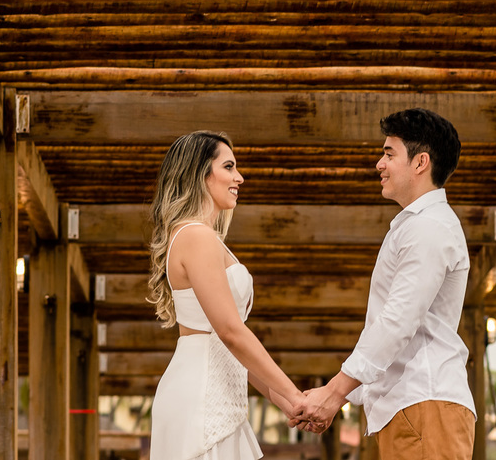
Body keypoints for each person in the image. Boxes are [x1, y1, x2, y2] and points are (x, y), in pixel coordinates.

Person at [293, 108, 476, 457]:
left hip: (424, 404)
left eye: (389, 154)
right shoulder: (417, 226)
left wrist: (333, 392)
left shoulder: (429, 227)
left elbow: (398, 321)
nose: (379, 163)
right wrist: (342, 393)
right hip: (412, 408)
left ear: (421, 162)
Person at [147, 130, 321, 460]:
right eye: (229, 167)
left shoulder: (203, 237)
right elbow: (231, 333)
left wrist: (287, 403)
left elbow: (233, 349)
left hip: (221, 398)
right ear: (200, 173)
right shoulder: (196, 236)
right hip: (201, 400)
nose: (238, 177)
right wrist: (296, 396)